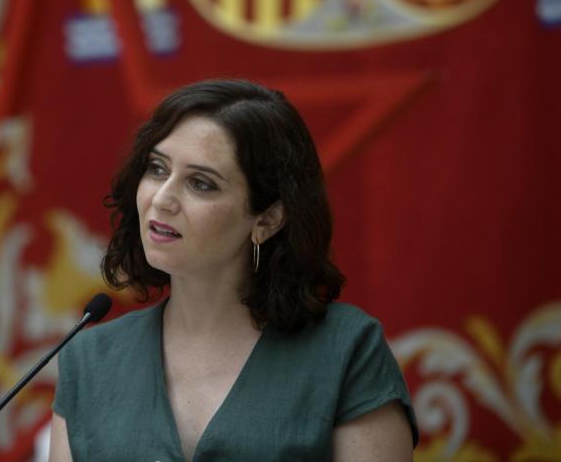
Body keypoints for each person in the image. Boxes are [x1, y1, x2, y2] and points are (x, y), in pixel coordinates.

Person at [49, 79, 418, 461]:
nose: (162, 198)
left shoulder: (347, 351)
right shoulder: (89, 359)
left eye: (201, 183)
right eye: (157, 169)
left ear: (269, 219)